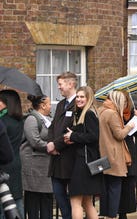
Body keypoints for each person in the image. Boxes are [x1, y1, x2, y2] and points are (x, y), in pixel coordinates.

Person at [63, 86, 101, 219]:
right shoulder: (81, 113)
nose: (78, 99)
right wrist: (71, 138)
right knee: (87, 202)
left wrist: (73, 136)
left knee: (75, 202)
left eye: (82, 97)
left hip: (83, 163)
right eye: (77, 97)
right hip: (85, 162)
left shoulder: (89, 114)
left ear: (88, 98)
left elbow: (93, 136)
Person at [98, 91, 135, 219]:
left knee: (106, 188)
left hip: (103, 155)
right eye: (124, 102)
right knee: (115, 189)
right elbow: (119, 135)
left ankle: (105, 214)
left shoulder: (101, 111)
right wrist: (129, 126)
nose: (125, 105)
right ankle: (112, 215)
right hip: (113, 155)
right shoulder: (112, 113)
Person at [47, 72, 78, 219]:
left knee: (74, 200)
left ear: (71, 84)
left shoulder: (78, 104)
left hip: (71, 159)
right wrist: (50, 144)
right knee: (59, 197)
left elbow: (72, 129)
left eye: (61, 84)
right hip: (56, 160)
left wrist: (55, 145)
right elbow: (52, 127)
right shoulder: (60, 104)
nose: (58, 87)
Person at [20, 94, 53, 219]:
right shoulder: (32, 119)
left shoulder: (48, 119)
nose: (50, 106)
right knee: (33, 198)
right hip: (33, 165)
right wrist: (50, 146)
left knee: (46, 197)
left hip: (45, 165)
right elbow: (34, 140)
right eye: (49, 104)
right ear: (43, 105)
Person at [0, 89, 25, 218]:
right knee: (15, 198)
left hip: (3, 164)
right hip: (15, 162)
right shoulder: (19, 121)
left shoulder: (3, 121)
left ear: (5, 103)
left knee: (3, 201)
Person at [117, 90, 137, 219]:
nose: (123, 103)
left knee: (128, 182)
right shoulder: (114, 114)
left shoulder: (131, 113)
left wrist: (136, 119)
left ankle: (124, 212)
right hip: (118, 149)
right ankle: (119, 211)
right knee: (118, 182)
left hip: (129, 150)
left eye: (125, 100)